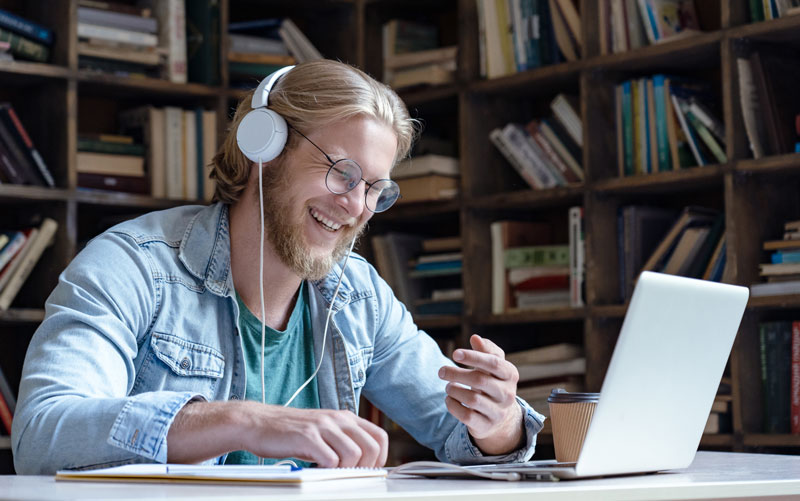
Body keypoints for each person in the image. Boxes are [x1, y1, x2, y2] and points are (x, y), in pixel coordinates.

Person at [12, 60, 544, 474]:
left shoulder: (357, 295)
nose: (357, 206)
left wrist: (498, 422)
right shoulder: (133, 265)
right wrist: (241, 421)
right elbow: (43, 434)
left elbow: (458, 437)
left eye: (375, 189)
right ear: (263, 145)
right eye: (343, 173)